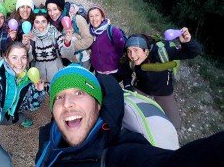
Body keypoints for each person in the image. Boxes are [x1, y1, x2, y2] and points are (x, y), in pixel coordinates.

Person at [35, 64, 223, 167]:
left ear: (98, 104)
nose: (67, 103)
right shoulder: (49, 136)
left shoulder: (117, 153)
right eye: (59, 97)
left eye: (79, 93)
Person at [122, 28, 202, 129]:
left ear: (146, 51)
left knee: (175, 124)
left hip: (163, 90)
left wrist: (188, 43)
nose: (132, 55)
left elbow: (194, 52)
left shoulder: (162, 53)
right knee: (126, 108)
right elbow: (126, 70)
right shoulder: (129, 57)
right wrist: (128, 84)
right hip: (142, 86)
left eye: (136, 50)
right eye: (129, 51)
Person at [23, 5, 75, 89]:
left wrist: (67, 42)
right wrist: (26, 46)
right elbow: (27, 60)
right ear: (33, 23)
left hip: (56, 74)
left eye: (43, 21)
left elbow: (68, 55)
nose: (40, 25)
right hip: (38, 77)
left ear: (48, 22)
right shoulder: (30, 37)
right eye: (37, 22)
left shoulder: (55, 34)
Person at [46, 0, 93, 68]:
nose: (52, 13)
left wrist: (68, 46)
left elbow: (89, 39)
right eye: (49, 10)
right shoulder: (51, 24)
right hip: (66, 62)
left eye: (55, 9)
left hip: (82, 60)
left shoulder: (77, 19)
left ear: (61, 8)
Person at [87, 5, 126, 81]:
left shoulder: (113, 31)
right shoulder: (89, 33)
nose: (94, 19)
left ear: (102, 17)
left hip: (113, 72)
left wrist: (112, 61)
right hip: (98, 71)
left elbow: (121, 49)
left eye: (97, 15)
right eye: (91, 16)